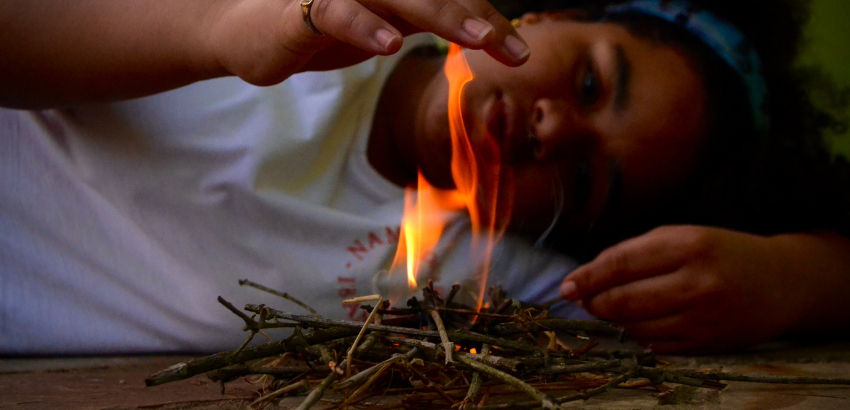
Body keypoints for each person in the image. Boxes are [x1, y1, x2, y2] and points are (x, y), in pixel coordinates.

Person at [0, 0, 847, 355]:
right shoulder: (313, 12)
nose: (554, 129)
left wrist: (798, 276)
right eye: (590, 80)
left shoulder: (486, 274)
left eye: (589, 181)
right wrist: (219, 33)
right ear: (547, 16)